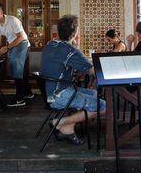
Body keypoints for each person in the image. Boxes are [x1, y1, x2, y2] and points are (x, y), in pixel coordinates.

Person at [41, 15, 106, 145]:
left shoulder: (50, 44)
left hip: (51, 92)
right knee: (104, 106)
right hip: (61, 95)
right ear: (75, 33)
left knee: (93, 93)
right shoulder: (70, 50)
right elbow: (92, 71)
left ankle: (67, 128)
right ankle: (59, 123)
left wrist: (75, 45)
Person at [0, 2, 33, 107]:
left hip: (22, 43)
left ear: (1, 12)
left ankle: (19, 98)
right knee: (20, 70)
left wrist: (6, 48)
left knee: (15, 67)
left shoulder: (13, 20)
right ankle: (28, 93)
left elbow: (20, 37)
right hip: (12, 44)